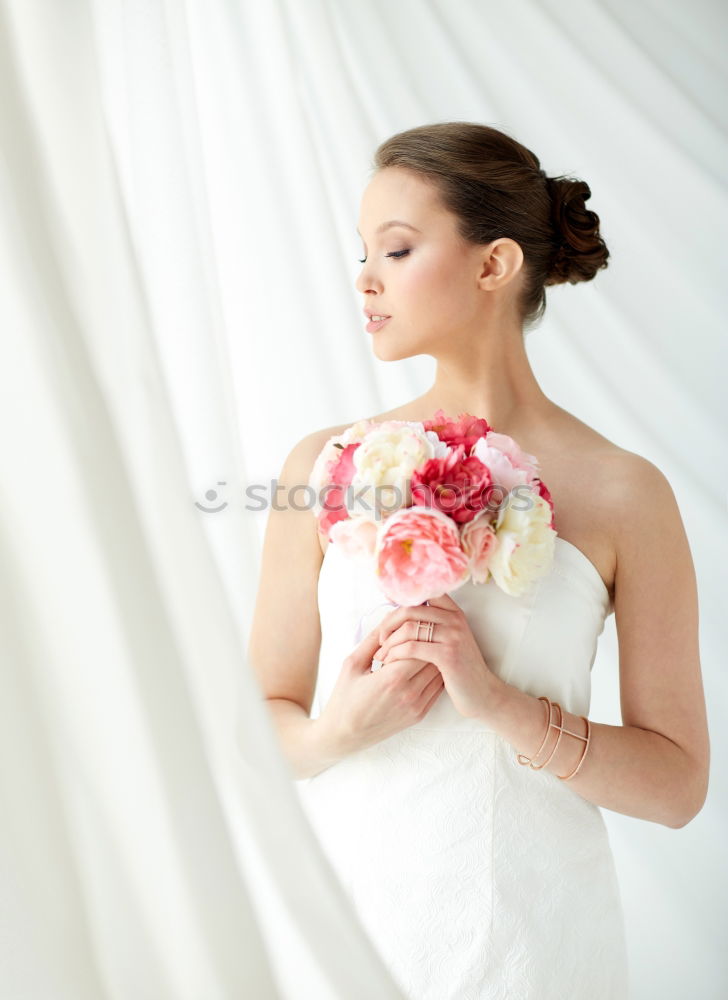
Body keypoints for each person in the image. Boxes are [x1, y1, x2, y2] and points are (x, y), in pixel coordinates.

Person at [246, 122, 710, 999]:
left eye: (397, 248)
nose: (365, 280)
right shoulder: (324, 464)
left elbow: (678, 787)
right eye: (362, 253)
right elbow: (254, 727)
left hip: (536, 947)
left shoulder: (624, 491)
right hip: (343, 932)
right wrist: (334, 731)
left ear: (493, 265)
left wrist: (501, 706)